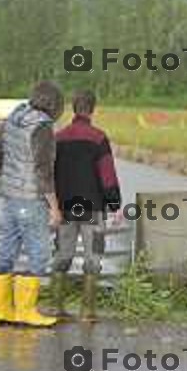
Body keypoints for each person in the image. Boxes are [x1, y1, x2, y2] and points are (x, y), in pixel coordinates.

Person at [0, 81, 64, 327]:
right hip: (31, 199)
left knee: (7, 251)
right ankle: (26, 312)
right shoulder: (42, 127)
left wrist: (4, 174)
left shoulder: (13, 117)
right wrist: (54, 207)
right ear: (54, 105)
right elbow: (43, 171)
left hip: (9, 197)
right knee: (39, 254)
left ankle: (1, 310)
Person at [51, 89, 121, 322]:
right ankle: (88, 312)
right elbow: (107, 174)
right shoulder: (99, 138)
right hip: (92, 208)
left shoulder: (58, 138)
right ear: (92, 109)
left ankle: (57, 308)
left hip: (66, 208)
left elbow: (49, 174)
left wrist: (52, 205)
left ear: (73, 107)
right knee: (93, 259)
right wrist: (114, 203)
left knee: (62, 255)